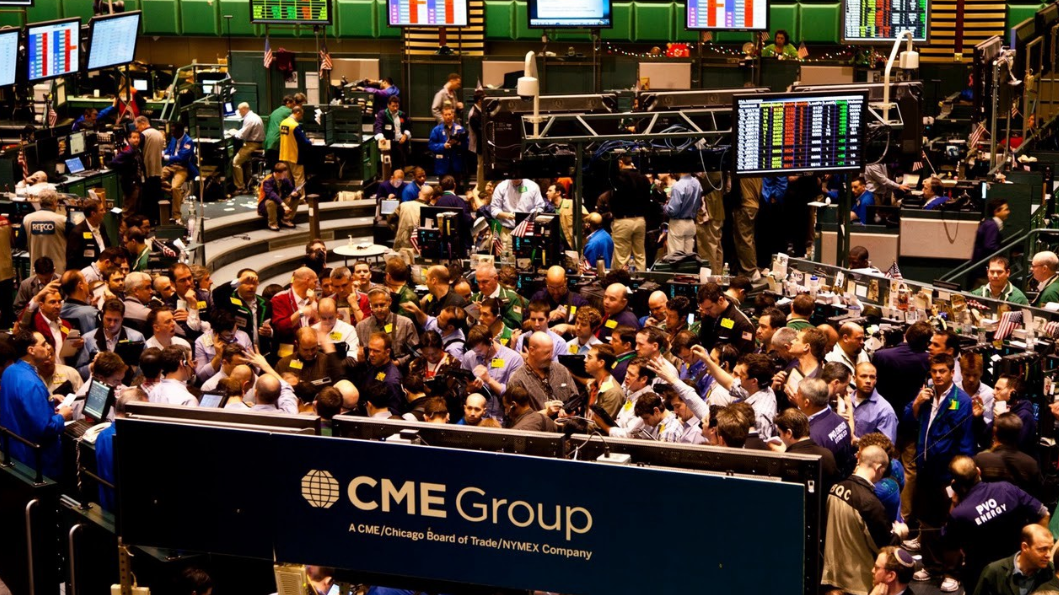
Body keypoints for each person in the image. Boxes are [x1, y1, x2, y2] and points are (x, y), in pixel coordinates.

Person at [902, 354, 974, 585]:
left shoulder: (961, 401)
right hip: (925, 471)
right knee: (927, 522)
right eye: (934, 371)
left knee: (949, 525)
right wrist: (916, 403)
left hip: (947, 476)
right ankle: (932, 567)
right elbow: (907, 421)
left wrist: (960, 478)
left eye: (942, 371)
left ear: (952, 373)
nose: (938, 375)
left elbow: (965, 441)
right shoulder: (926, 395)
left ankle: (951, 572)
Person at [821, 445, 893, 595]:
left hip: (833, 575)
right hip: (858, 582)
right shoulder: (870, 503)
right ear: (878, 468)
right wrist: (899, 534)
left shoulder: (835, 488)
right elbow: (884, 546)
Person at [0, 330, 72, 478]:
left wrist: (47, 400)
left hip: (12, 449)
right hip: (35, 460)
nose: (48, 347)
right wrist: (62, 416)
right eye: (44, 344)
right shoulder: (31, 383)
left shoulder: (10, 371)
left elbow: (19, 404)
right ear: (31, 350)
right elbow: (46, 429)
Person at [973, 524, 1055, 595]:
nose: (1048, 555)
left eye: (1050, 549)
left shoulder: (1050, 571)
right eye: (1042, 549)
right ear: (1025, 547)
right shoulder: (994, 572)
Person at [507, 331, 578, 411]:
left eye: (552, 351)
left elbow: (575, 399)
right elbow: (516, 415)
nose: (551, 356)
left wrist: (568, 411)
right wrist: (545, 413)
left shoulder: (560, 370)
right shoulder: (517, 381)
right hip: (537, 419)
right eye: (547, 353)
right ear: (532, 351)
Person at [610, 156, 650, 271]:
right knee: (640, 255)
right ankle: (642, 279)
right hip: (640, 220)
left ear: (620, 162)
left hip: (623, 221)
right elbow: (648, 200)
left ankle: (622, 280)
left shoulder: (618, 177)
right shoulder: (643, 178)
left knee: (622, 257)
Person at [696, 282, 754, 353]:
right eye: (704, 309)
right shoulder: (709, 316)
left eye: (709, 308)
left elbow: (745, 356)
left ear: (721, 300)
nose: (706, 312)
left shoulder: (743, 325)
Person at [160, 122, 199, 224]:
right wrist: (163, 153)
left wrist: (166, 157)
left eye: (174, 132)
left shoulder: (188, 142)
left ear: (180, 131)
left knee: (175, 187)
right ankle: (179, 194)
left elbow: (182, 157)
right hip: (171, 165)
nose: (172, 134)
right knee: (156, 179)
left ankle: (176, 216)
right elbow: (169, 149)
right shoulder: (174, 138)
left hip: (182, 167)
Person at [852, 362, 899, 444]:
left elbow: (887, 446)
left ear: (876, 380)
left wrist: (858, 442)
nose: (868, 381)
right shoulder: (846, 399)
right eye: (863, 376)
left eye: (872, 377)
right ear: (854, 378)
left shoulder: (885, 411)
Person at [23, 189, 68, 274]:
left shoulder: (27, 219)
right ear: (54, 202)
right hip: (58, 272)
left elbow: (20, 243)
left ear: (40, 202)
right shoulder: (62, 220)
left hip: (36, 272)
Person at [228, 102, 265, 195]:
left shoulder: (249, 119)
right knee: (246, 162)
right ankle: (248, 183)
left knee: (236, 162)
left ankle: (240, 187)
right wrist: (238, 131)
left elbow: (241, 136)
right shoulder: (254, 116)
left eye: (240, 111)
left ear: (244, 109)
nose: (239, 113)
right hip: (257, 143)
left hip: (252, 144)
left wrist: (233, 132)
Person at [65, 198, 112, 272]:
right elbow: (72, 261)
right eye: (101, 210)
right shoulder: (77, 232)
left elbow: (108, 246)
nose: (104, 212)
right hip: (87, 273)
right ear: (93, 213)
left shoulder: (102, 226)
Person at [109, 129, 146, 215]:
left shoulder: (137, 150)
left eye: (138, 138)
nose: (136, 140)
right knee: (128, 208)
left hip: (138, 182)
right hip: (130, 183)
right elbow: (114, 162)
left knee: (136, 207)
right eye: (134, 137)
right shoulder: (128, 151)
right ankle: (124, 223)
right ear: (129, 139)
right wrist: (125, 169)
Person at [257, 162, 302, 231]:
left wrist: (295, 193)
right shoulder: (267, 181)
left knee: (295, 198)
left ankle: (285, 219)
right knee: (271, 202)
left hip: (279, 203)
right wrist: (284, 205)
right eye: (284, 174)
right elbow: (272, 195)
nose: (285, 176)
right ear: (277, 173)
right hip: (265, 206)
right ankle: (272, 223)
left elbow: (292, 188)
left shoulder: (284, 179)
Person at [135, 116, 165, 218]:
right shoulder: (159, 134)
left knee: (147, 199)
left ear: (143, 123)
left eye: (137, 127)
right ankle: (157, 219)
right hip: (158, 170)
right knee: (156, 197)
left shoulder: (144, 134)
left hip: (147, 171)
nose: (137, 130)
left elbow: (136, 149)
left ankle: (149, 220)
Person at [665, 173, 702, 256]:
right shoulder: (697, 183)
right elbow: (699, 204)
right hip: (691, 223)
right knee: (689, 257)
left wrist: (664, 207)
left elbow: (673, 210)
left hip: (678, 224)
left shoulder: (678, 186)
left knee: (676, 258)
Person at [374, 95, 410, 174]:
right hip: (388, 143)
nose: (395, 108)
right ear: (388, 105)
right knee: (387, 166)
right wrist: (381, 137)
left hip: (399, 143)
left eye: (397, 106)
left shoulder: (402, 114)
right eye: (393, 106)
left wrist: (405, 135)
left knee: (399, 165)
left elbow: (408, 127)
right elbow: (378, 126)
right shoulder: (382, 114)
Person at [392, 183, 431, 254]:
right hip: (416, 248)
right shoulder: (428, 210)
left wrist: (397, 230)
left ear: (419, 193)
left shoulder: (403, 205)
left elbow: (390, 219)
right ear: (430, 197)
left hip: (400, 246)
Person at [278, 105, 310, 189]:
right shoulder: (294, 125)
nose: (301, 117)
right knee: (298, 178)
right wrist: (311, 141)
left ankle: (288, 195)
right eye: (301, 115)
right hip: (294, 155)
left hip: (284, 154)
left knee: (287, 178)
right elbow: (303, 141)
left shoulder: (283, 122)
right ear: (298, 113)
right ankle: (300, 196)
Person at [971, 197, 1010, 265]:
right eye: (1006, 210)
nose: (1008, 212)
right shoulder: (991, 225)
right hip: (982, 265)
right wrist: (1003, 252)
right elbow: (989, 246)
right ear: (996, 211)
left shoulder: (990, 223)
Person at [265, 95, 295, 166]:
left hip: (268, 142)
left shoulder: (275, 111)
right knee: (281, 167)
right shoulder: (289, 111)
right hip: (278, 142)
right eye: (293, 104)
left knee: (274, 167)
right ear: (288, 102)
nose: (293, 106)